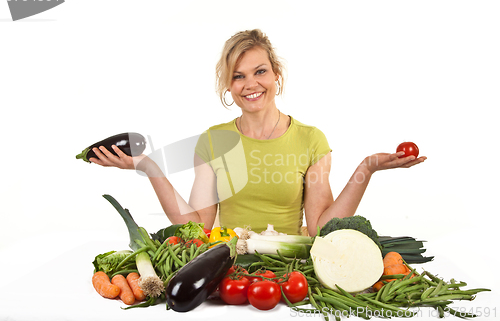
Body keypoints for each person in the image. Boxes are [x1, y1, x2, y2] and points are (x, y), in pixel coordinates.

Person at [89, 29, 426, 236]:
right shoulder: (213, 140)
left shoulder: (311, 140)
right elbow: (198, 227)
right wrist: (150, 168)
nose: (250, 84)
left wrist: (366, 169)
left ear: (276, 74)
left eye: (260, 71)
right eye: (238, 76)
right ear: (229, 86)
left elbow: (321, 228)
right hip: (228, 269)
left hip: (289, 272)